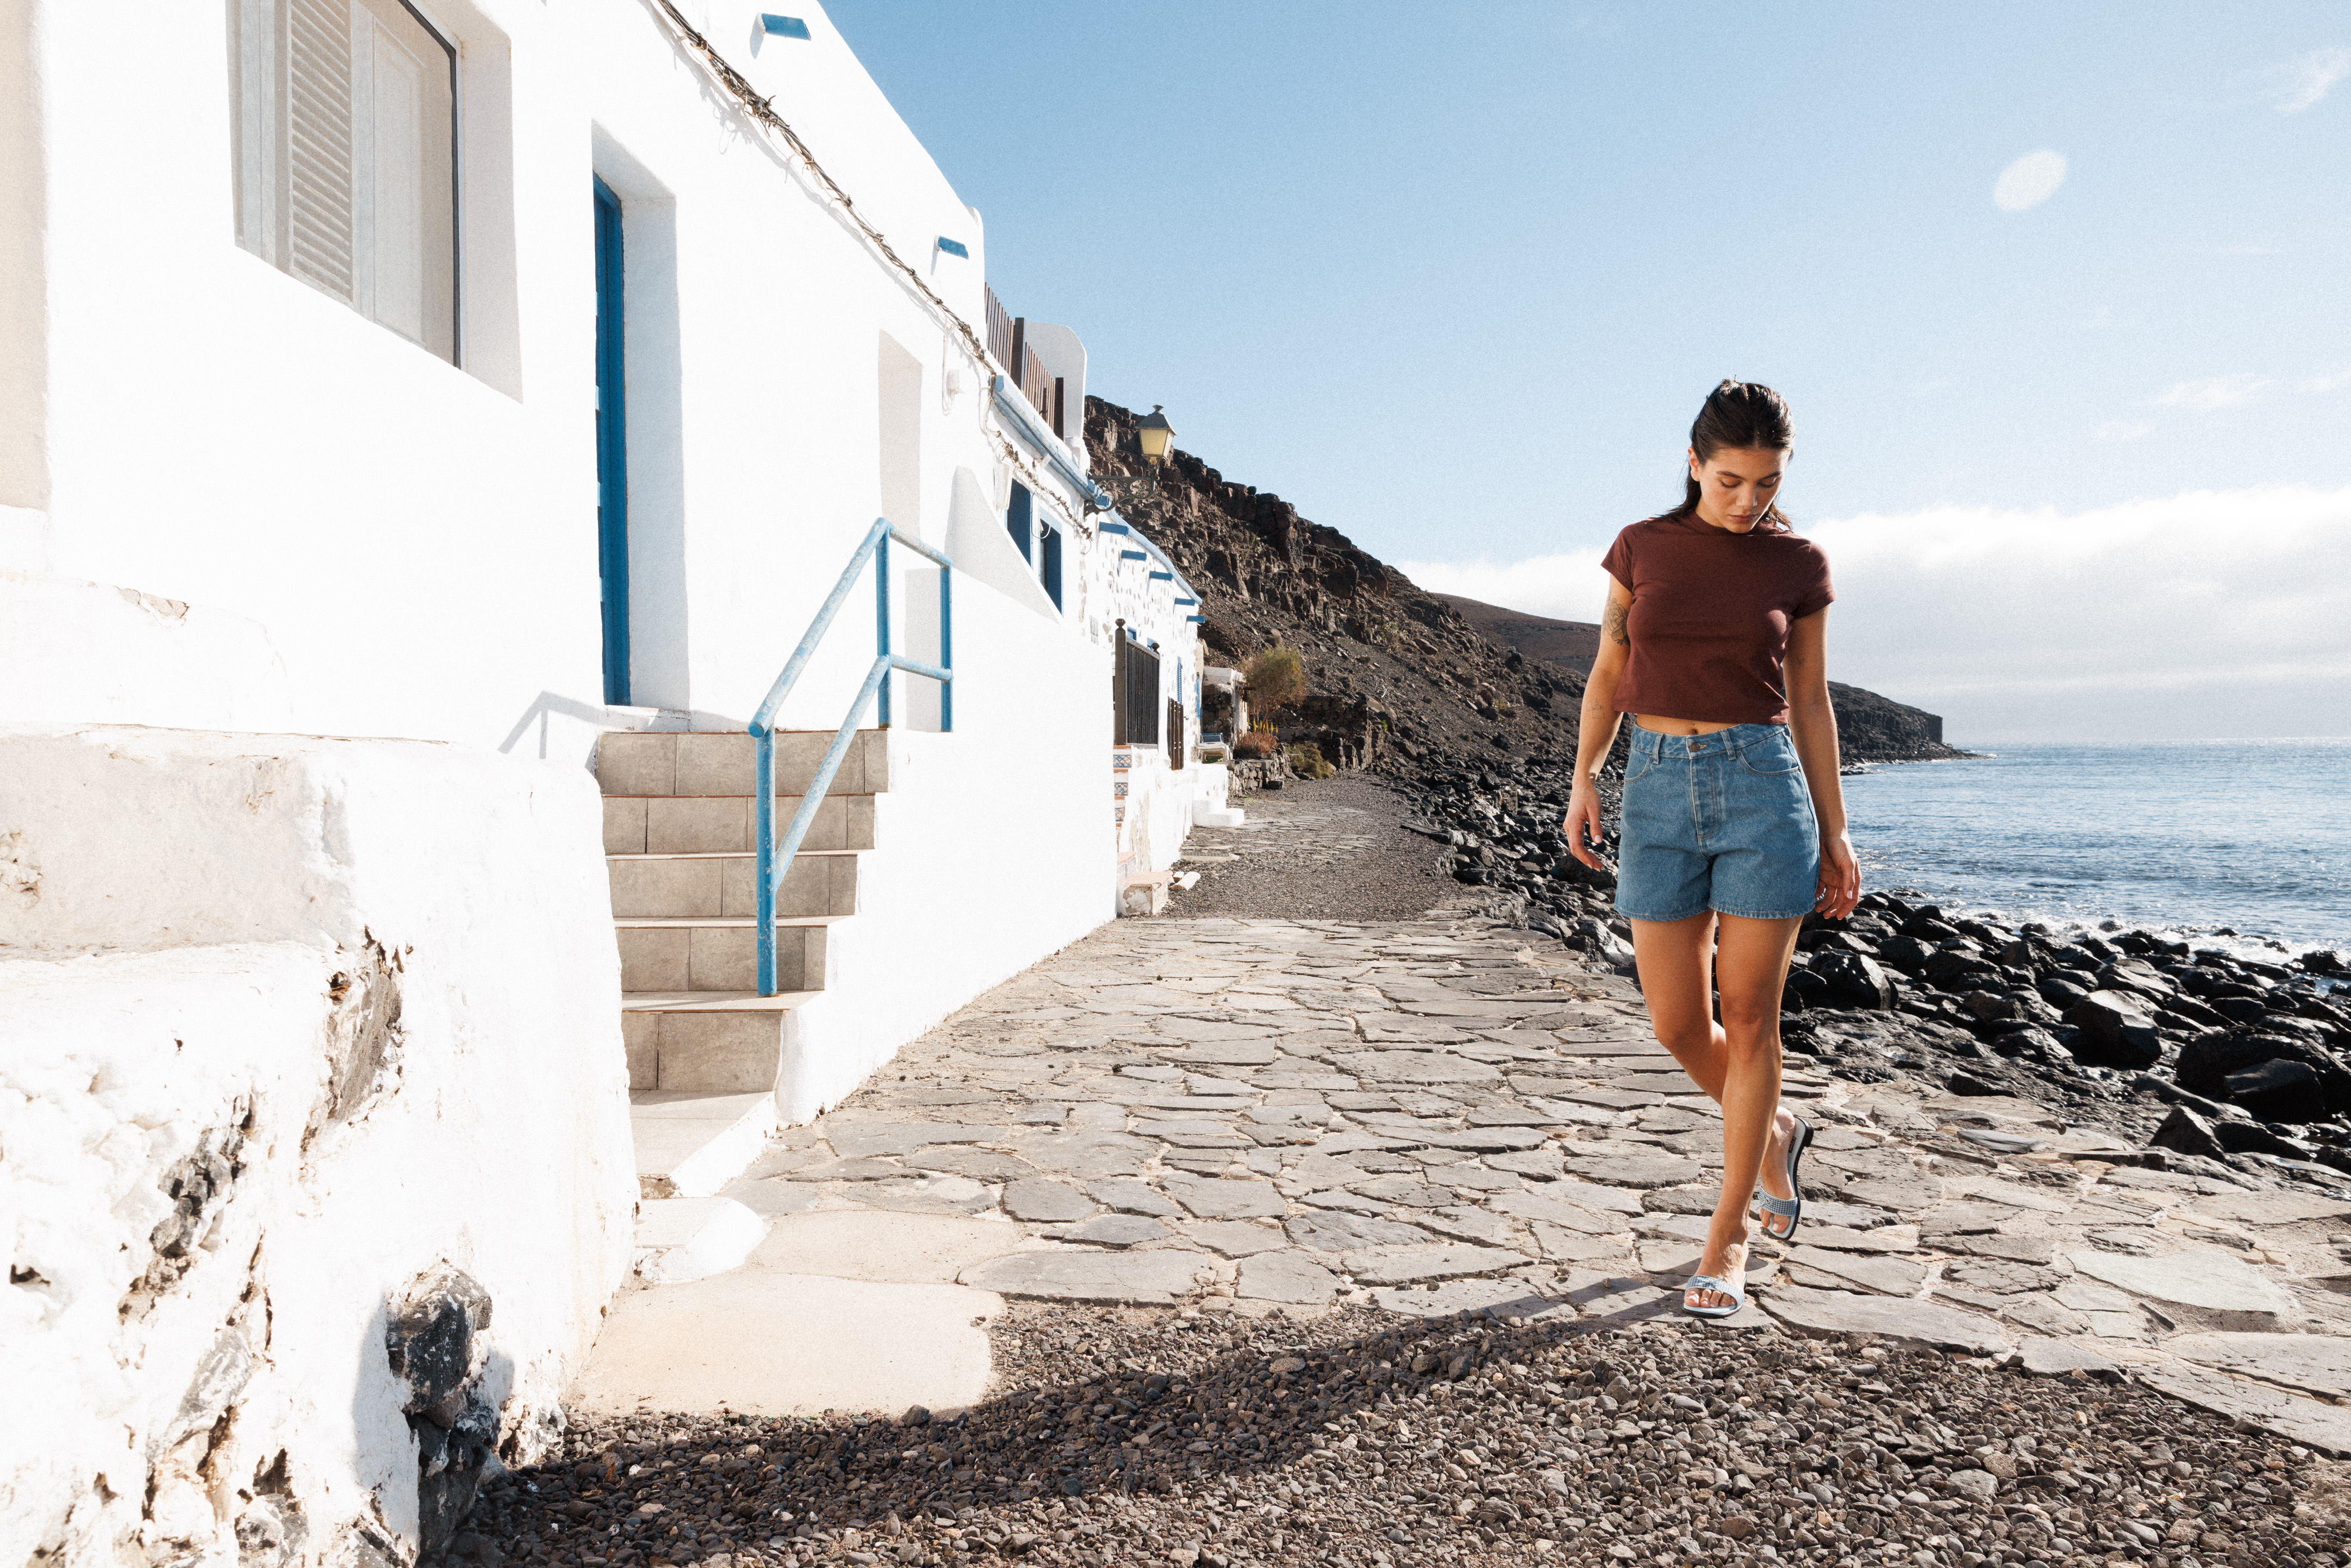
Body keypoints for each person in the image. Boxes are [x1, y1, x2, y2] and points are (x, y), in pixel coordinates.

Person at [1562, 379, 1862, 1319]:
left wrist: (1836, 828)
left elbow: (1810, 701)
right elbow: (1609, 668)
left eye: (1765, 483)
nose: (1747, 500)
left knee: (1752, 1018)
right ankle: (1772, 1133)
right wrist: (1584, 777)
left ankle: (1727, 1238)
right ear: (1693, 464)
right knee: (1676, 1025)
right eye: (1730, 480)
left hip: (1763, 789)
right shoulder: (1639, 548)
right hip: (1651, 785)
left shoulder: (1798, 563)